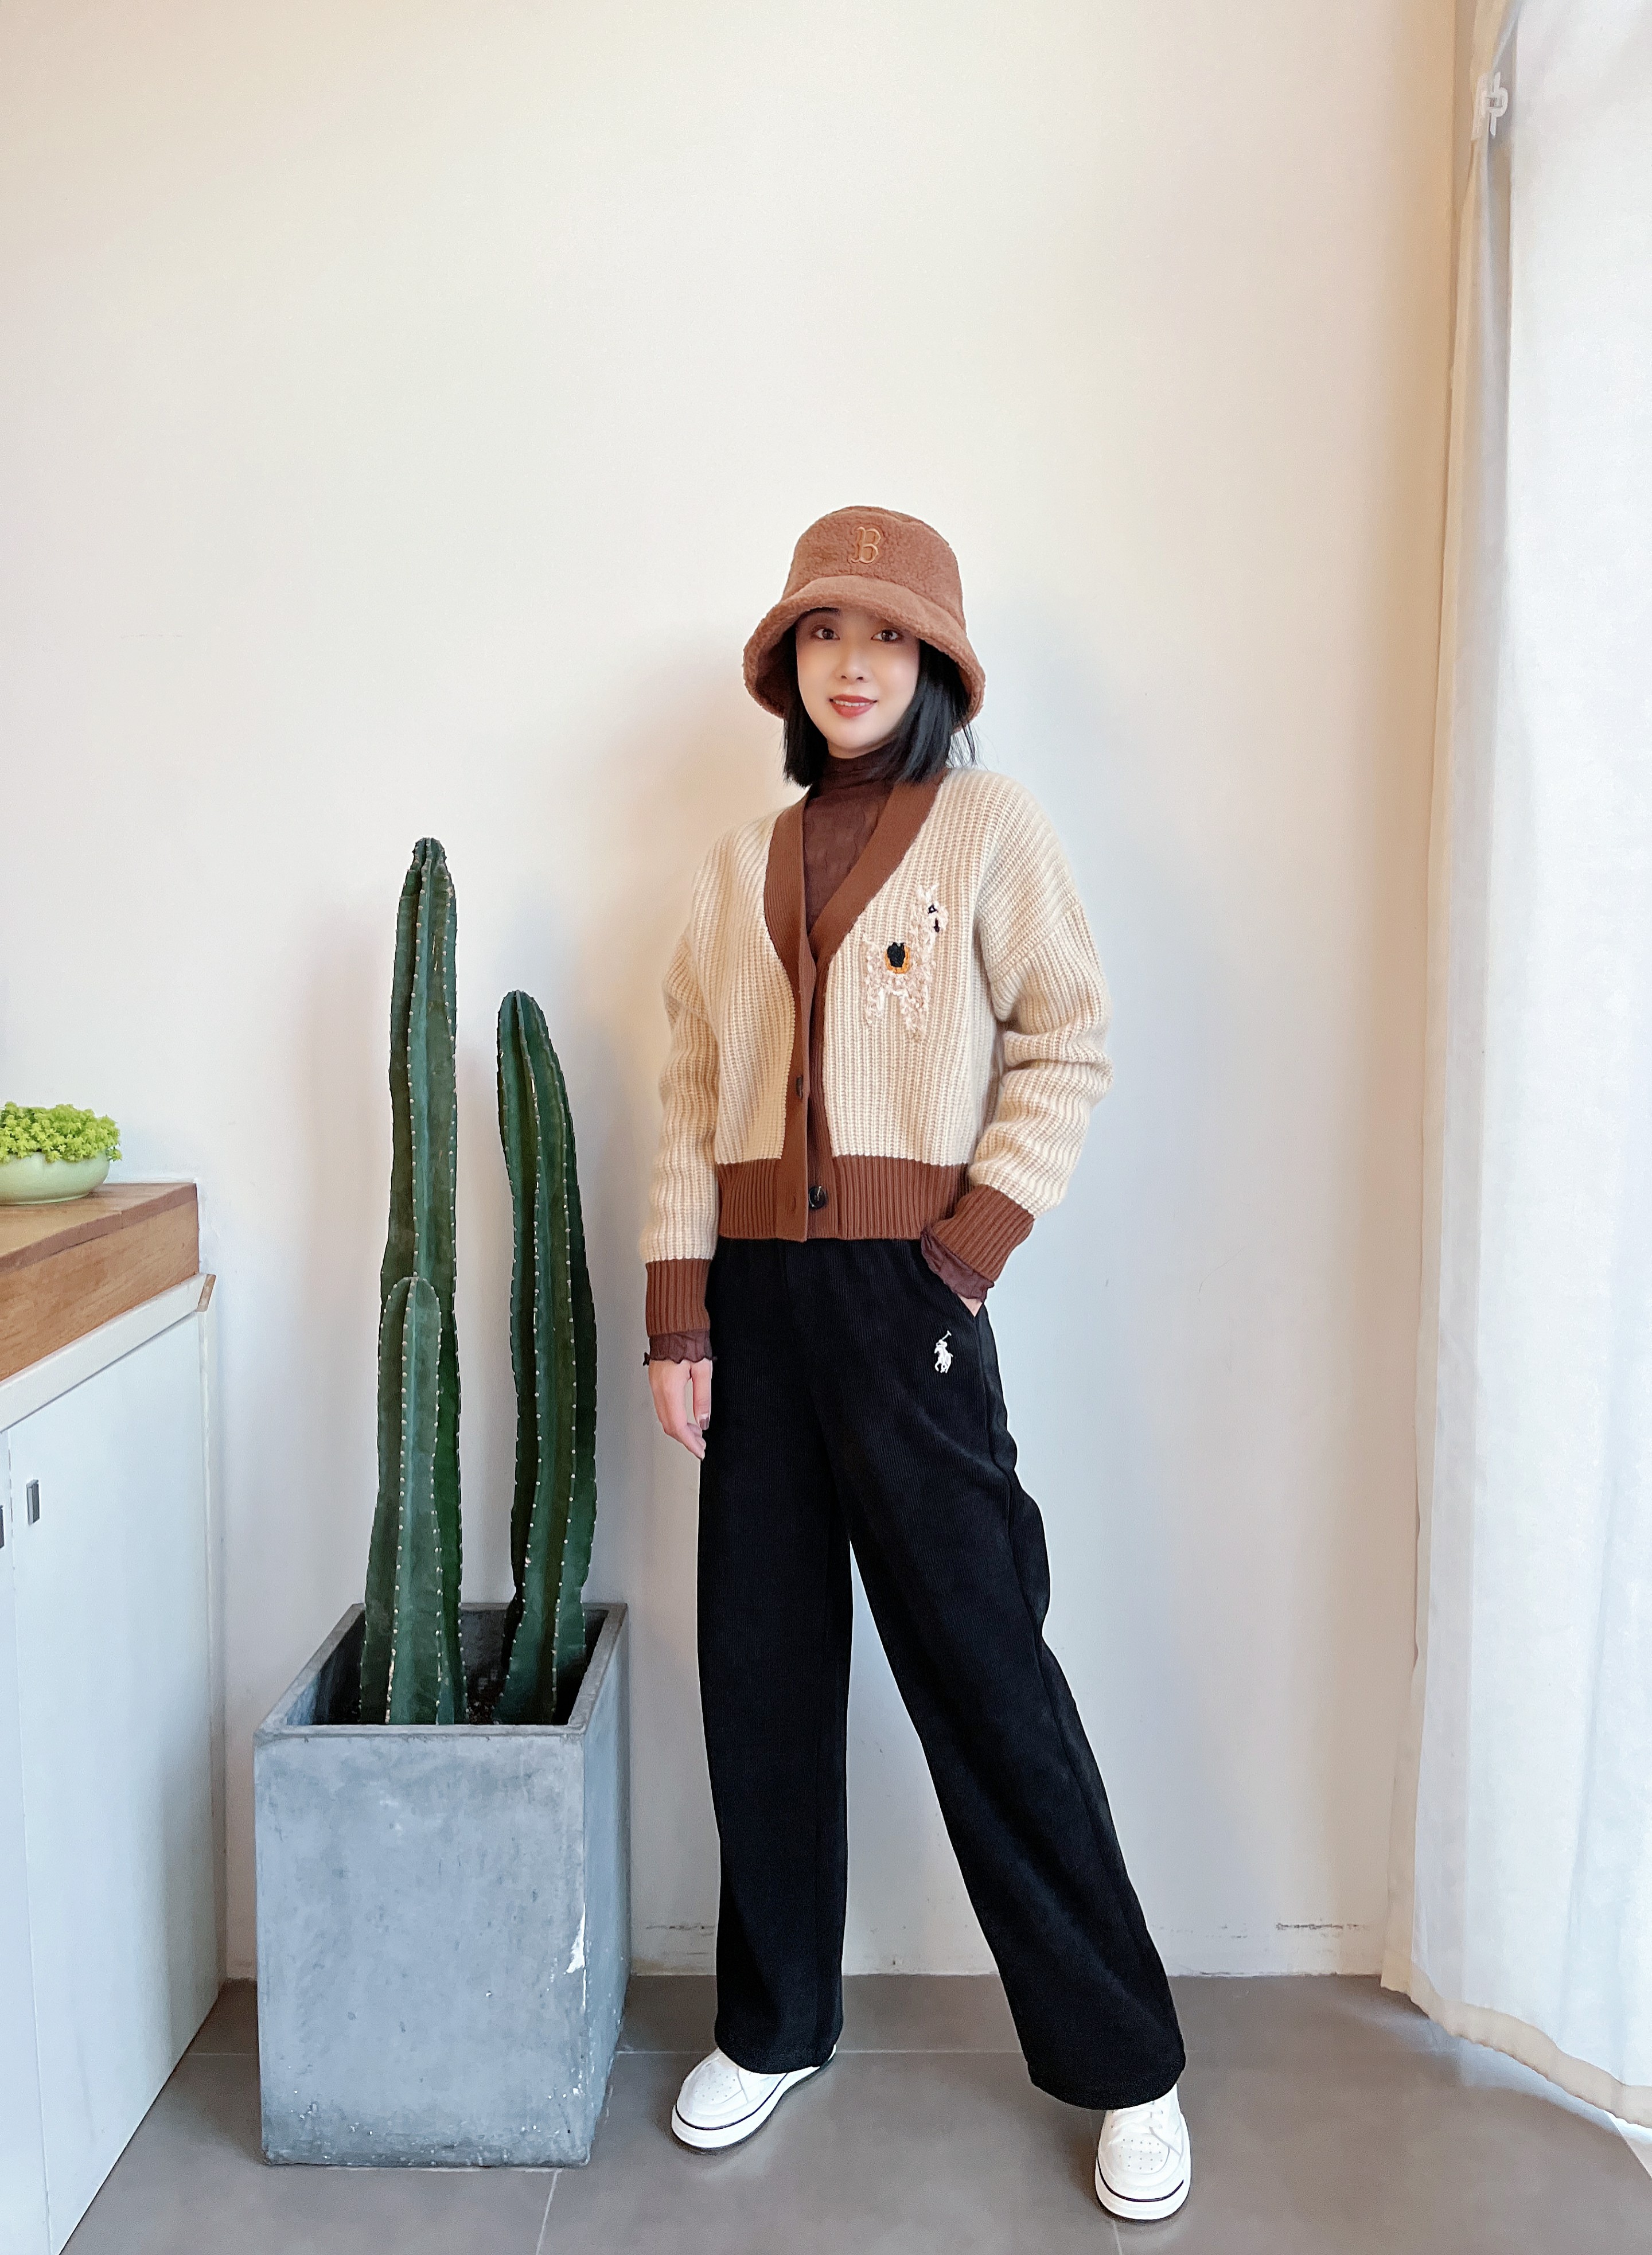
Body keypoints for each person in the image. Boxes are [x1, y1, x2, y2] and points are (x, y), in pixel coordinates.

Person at [640, 506, 1190, 2222]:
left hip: (912, 1308)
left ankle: (1128, 2061)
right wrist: (679, 1314)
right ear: (789, 666)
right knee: (761, 1671)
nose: (852, 663)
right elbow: (685, 1093)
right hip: (756, 1315)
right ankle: (776, 2022)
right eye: (823, 634)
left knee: (987, 1670)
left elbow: (1069, 1036)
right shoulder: (733, 867)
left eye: (886, 635)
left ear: (936, 663)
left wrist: (965, 1255)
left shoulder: (991, 829)